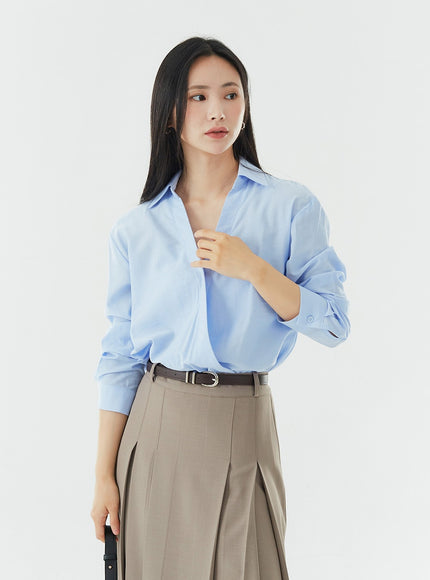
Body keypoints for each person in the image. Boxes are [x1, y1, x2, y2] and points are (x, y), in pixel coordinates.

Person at [90, 36, 350, 580]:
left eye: (231, 95)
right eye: (199, 97)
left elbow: (333, 324)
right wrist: (103, 475)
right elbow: (120, 356)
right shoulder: (136, 228)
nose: (217, 111)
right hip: (156, 426)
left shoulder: (290, 205)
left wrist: (255, 269)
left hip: (243, 421)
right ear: (170, 112)